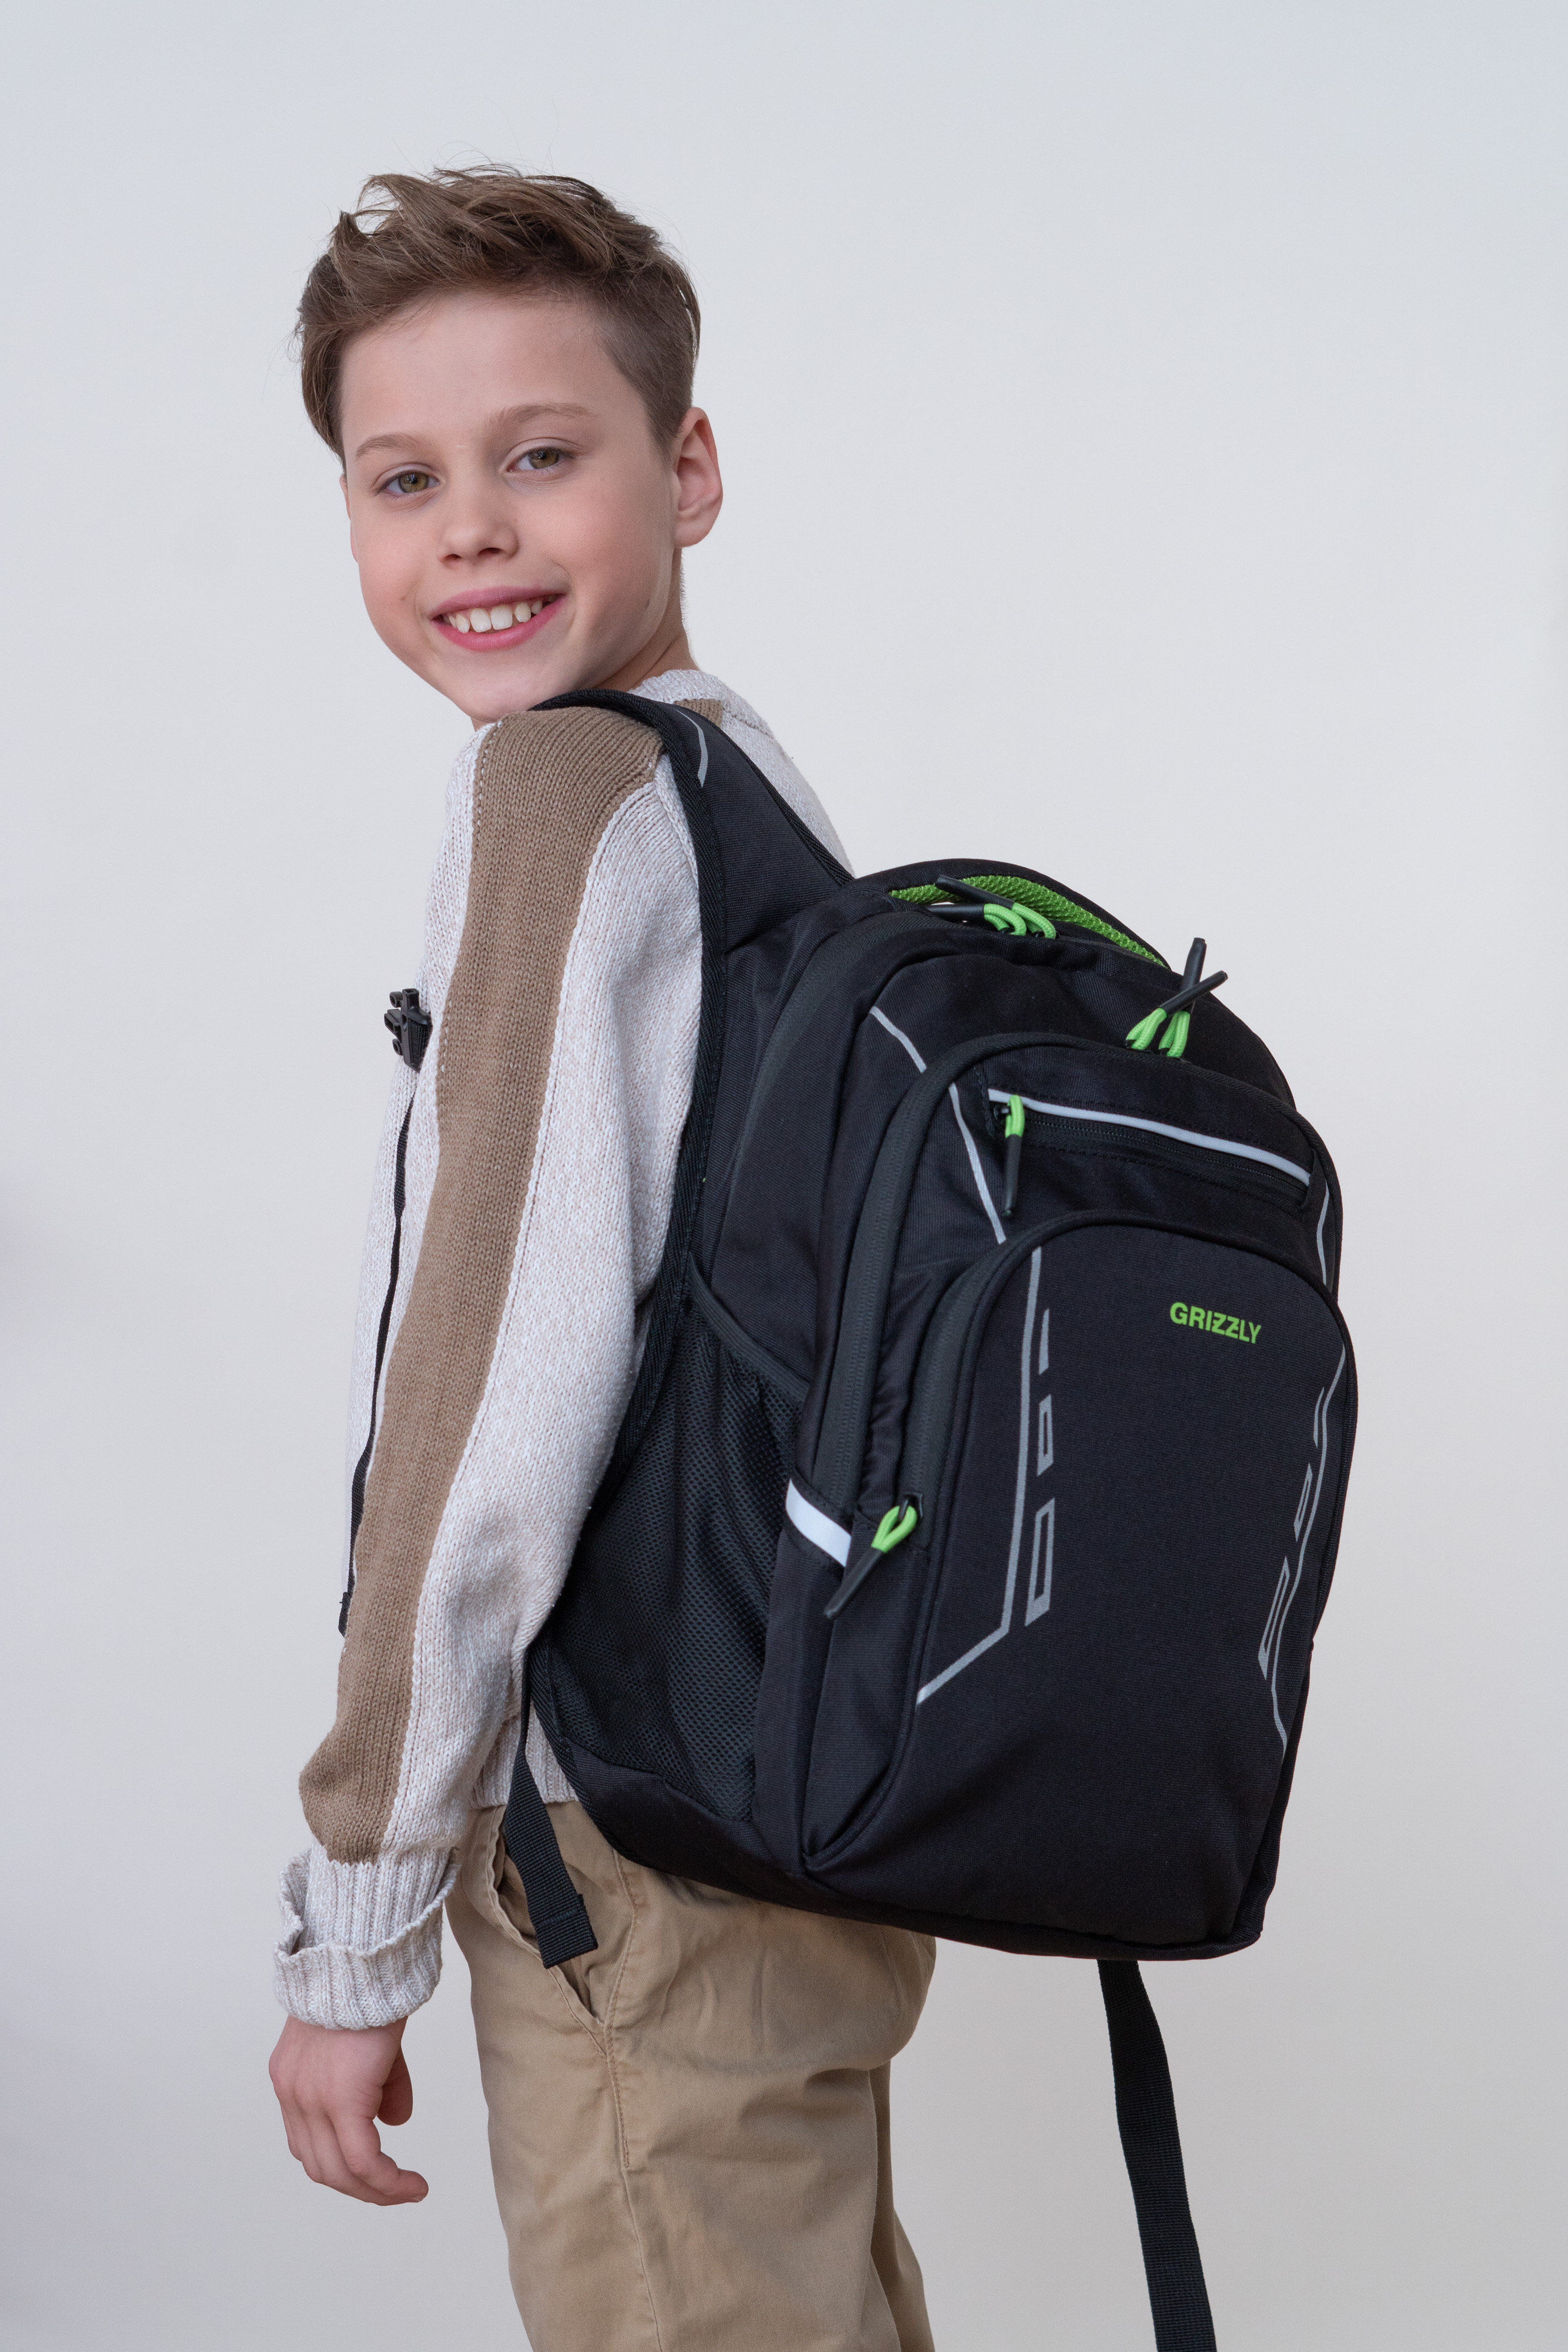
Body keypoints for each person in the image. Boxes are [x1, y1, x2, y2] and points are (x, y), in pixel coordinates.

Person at [267, 168, 936, 2352]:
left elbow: (487, 1395)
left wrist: (357, 1918)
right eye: (405, 479)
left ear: (688, 468)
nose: (471, 530)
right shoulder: (744, 789)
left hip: (623, 1851)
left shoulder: (563, 793)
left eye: (540, 456)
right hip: (798, 1809)